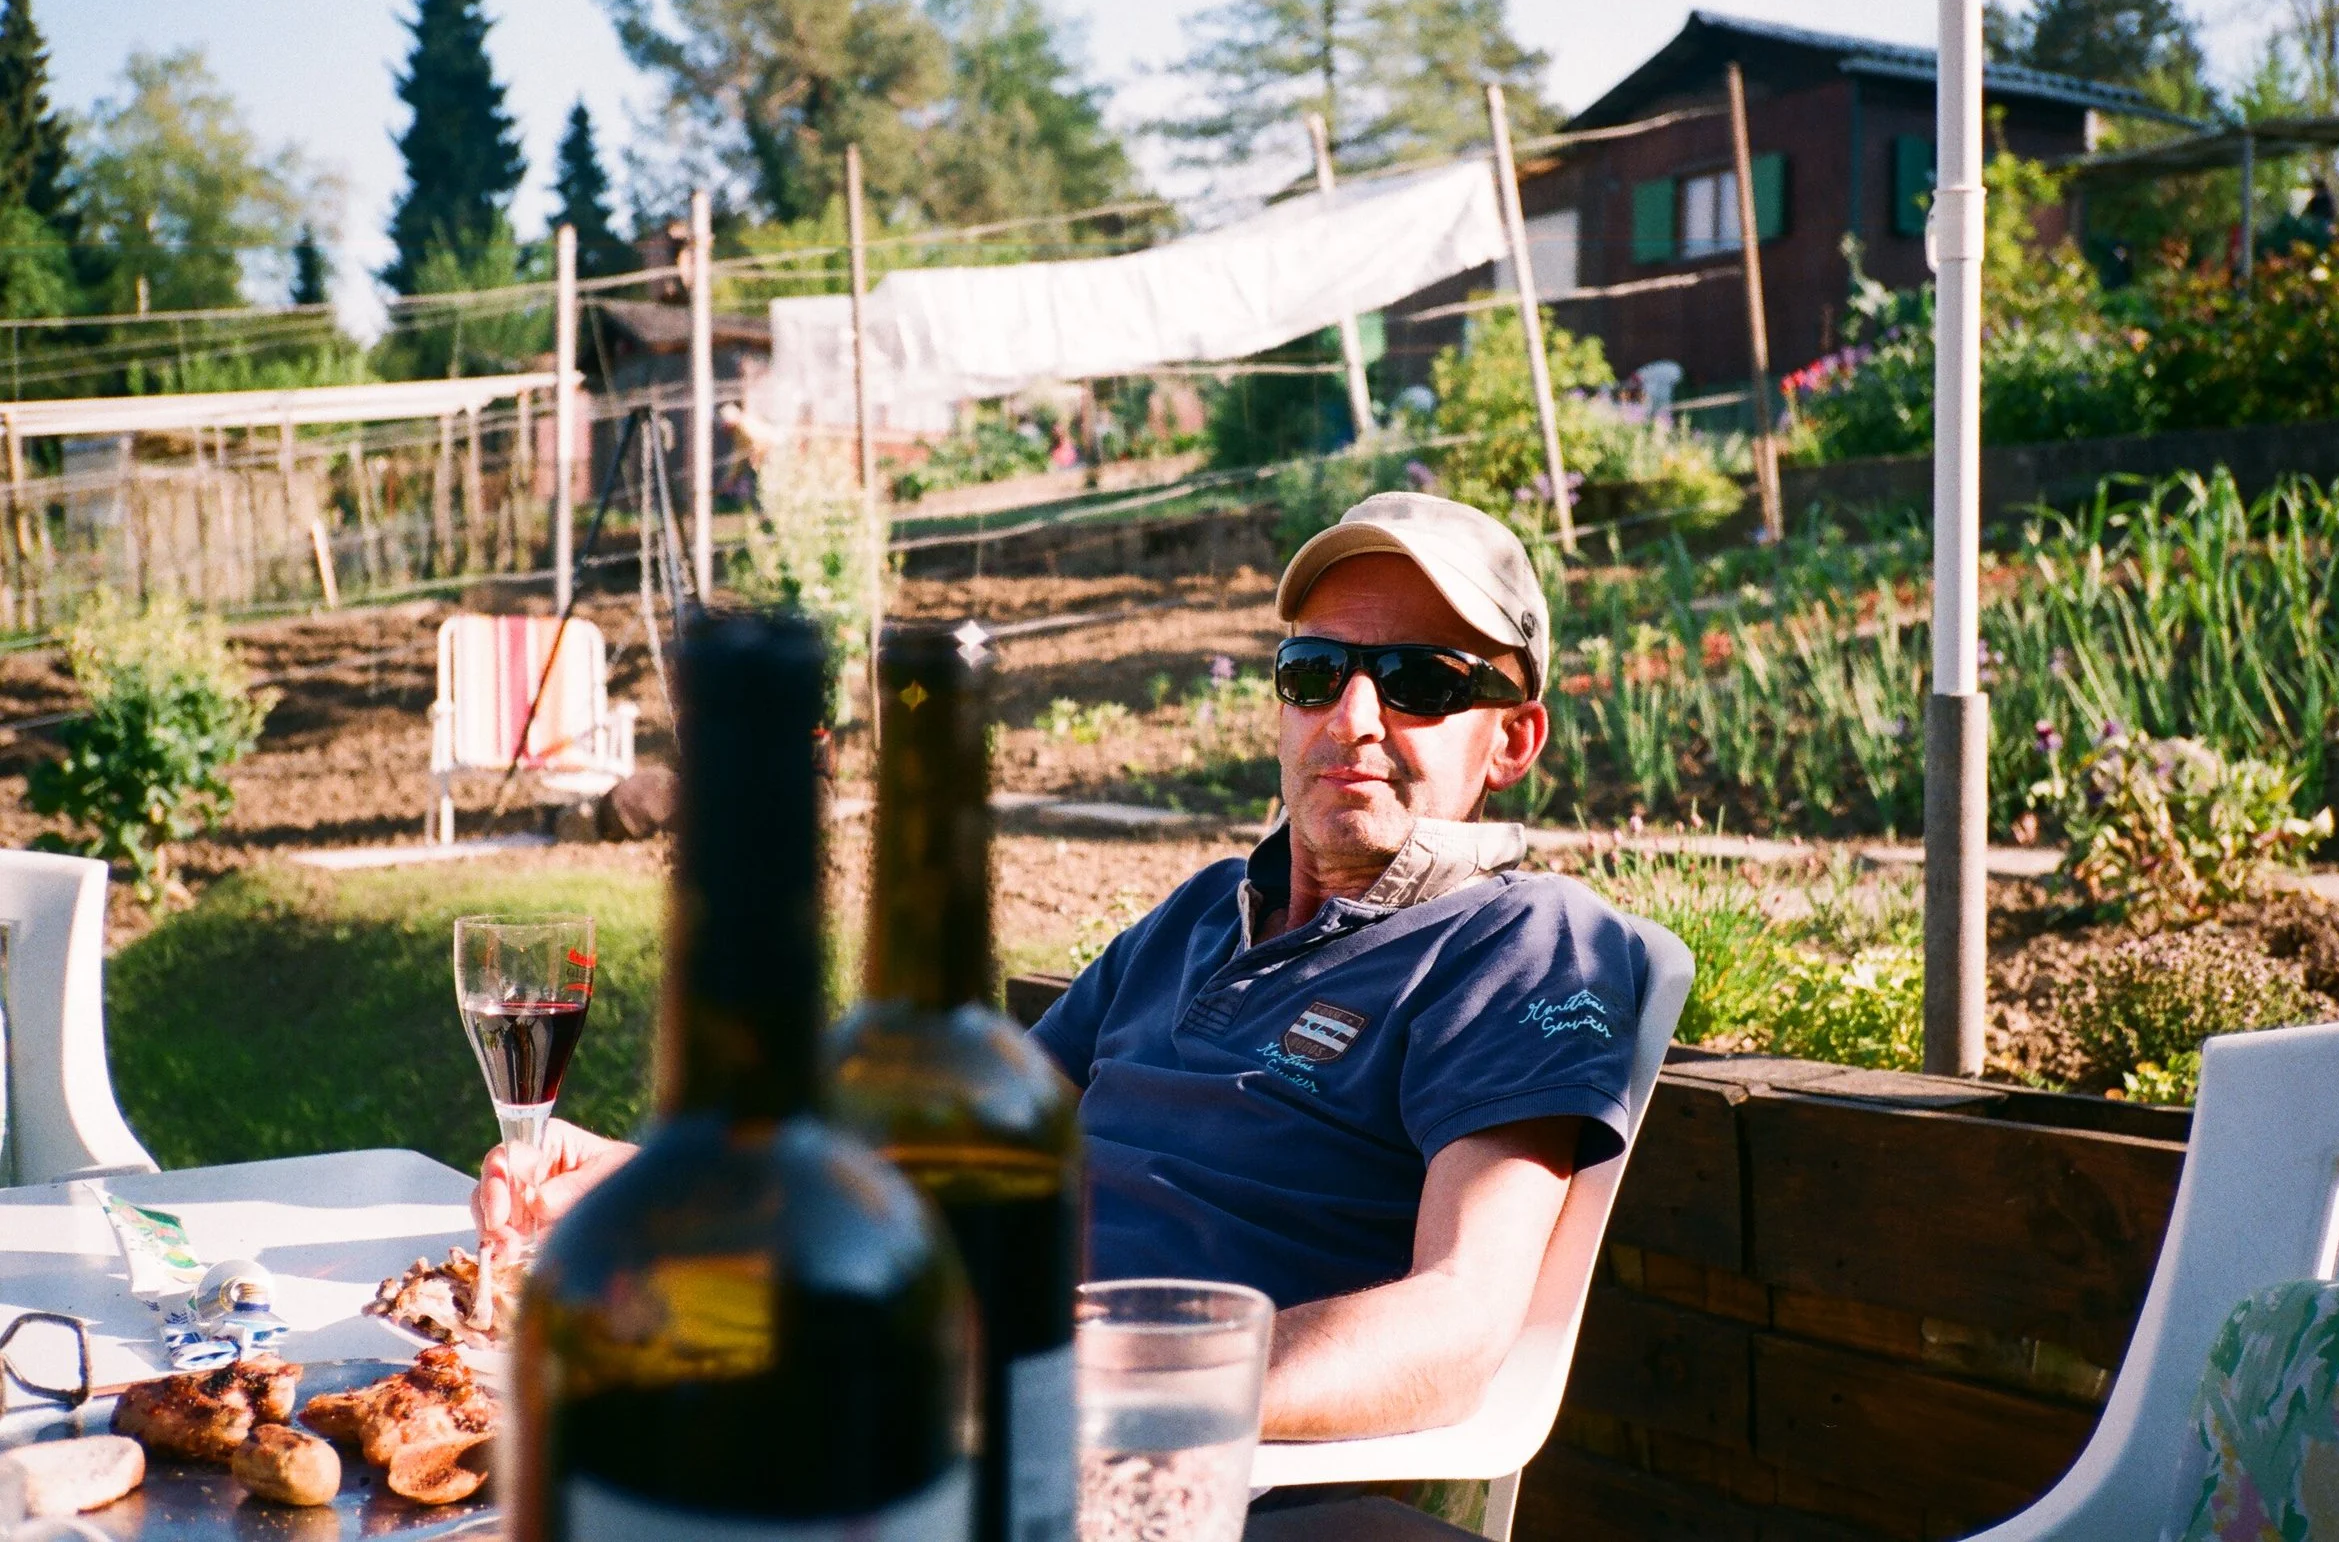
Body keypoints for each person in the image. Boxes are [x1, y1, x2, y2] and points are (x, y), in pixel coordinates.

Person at [476, 492, 1662, 1442]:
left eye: (1418, 682)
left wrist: (1089, 1385)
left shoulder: (1527, 942)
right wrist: (654, 1169)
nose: (1352, 714)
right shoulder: (1202, 915)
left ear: (1512, 736)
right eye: (1313, 670)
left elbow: (1456, 1324)